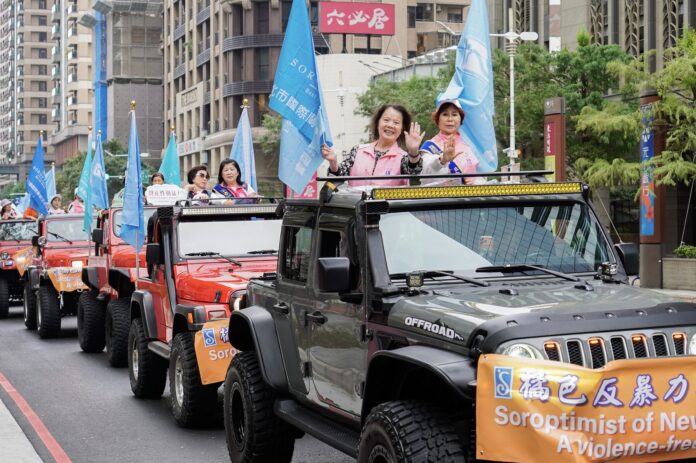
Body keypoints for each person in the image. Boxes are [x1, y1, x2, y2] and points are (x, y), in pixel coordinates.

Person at [321, 104, 425, 187]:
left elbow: (414, 173)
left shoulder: (403, 158)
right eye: (386, 120)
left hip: (388, 208)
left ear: (402, 128)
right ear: (378, 122)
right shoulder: (357, 151)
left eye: (396, 122)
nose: (390, 125)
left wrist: (413, 151)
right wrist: (333, 162)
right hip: (357, 206)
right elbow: (337, 178)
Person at [420, 99, 479, 185]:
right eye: (445, 114)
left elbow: (477, 175)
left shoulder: (468, 146)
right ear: (437, 119)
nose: (450, 119)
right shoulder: (430, 146)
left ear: (460, 120)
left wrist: (474, 182)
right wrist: (442, 160)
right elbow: (425, 174)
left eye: (454, 114)